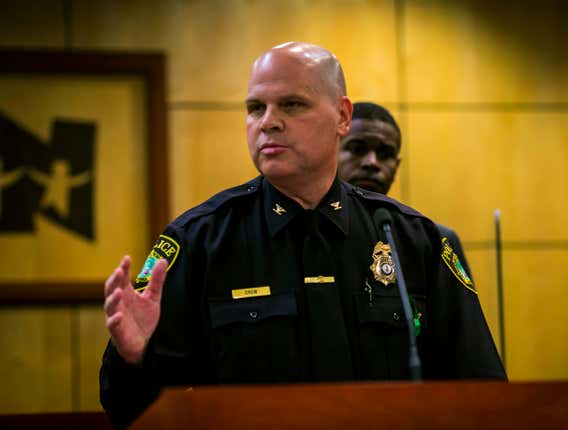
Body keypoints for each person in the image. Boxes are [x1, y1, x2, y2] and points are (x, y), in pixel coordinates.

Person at [100, 42, 506, 428]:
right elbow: (128, 413)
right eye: (255, 108)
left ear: (342, 116)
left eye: (291, 105)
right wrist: (134, 361)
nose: (268, 122)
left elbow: (483, 395)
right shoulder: (200, 240)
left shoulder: (414, 240)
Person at [338, 101, 474, 280]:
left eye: (385, 154)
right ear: (332, 153)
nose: (372, 162)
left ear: (397, 165)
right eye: (358, 149)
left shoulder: (434, 241)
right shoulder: (309, 234)